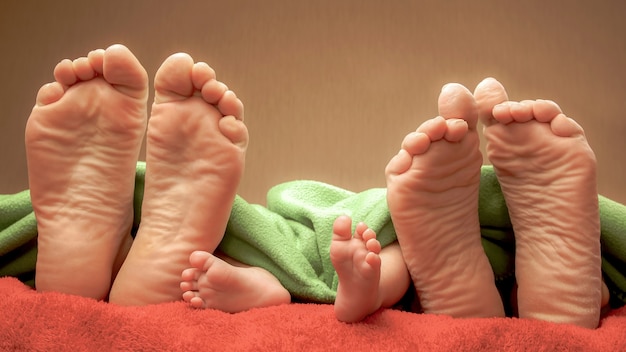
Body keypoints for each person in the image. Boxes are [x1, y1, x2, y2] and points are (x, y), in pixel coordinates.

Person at [24, 44, 608, 328]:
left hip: (313, 257)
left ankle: (102, 255)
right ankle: (545, 292)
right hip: (441, 263)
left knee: (355, 258)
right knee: (398, 256)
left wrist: (355, 286)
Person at [24, 44, 410, 323]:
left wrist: (363, 288)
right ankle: (240, 279)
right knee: (399, 248)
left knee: (399, 245)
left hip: (271, 253)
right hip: (283, 249)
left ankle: (105, 245)